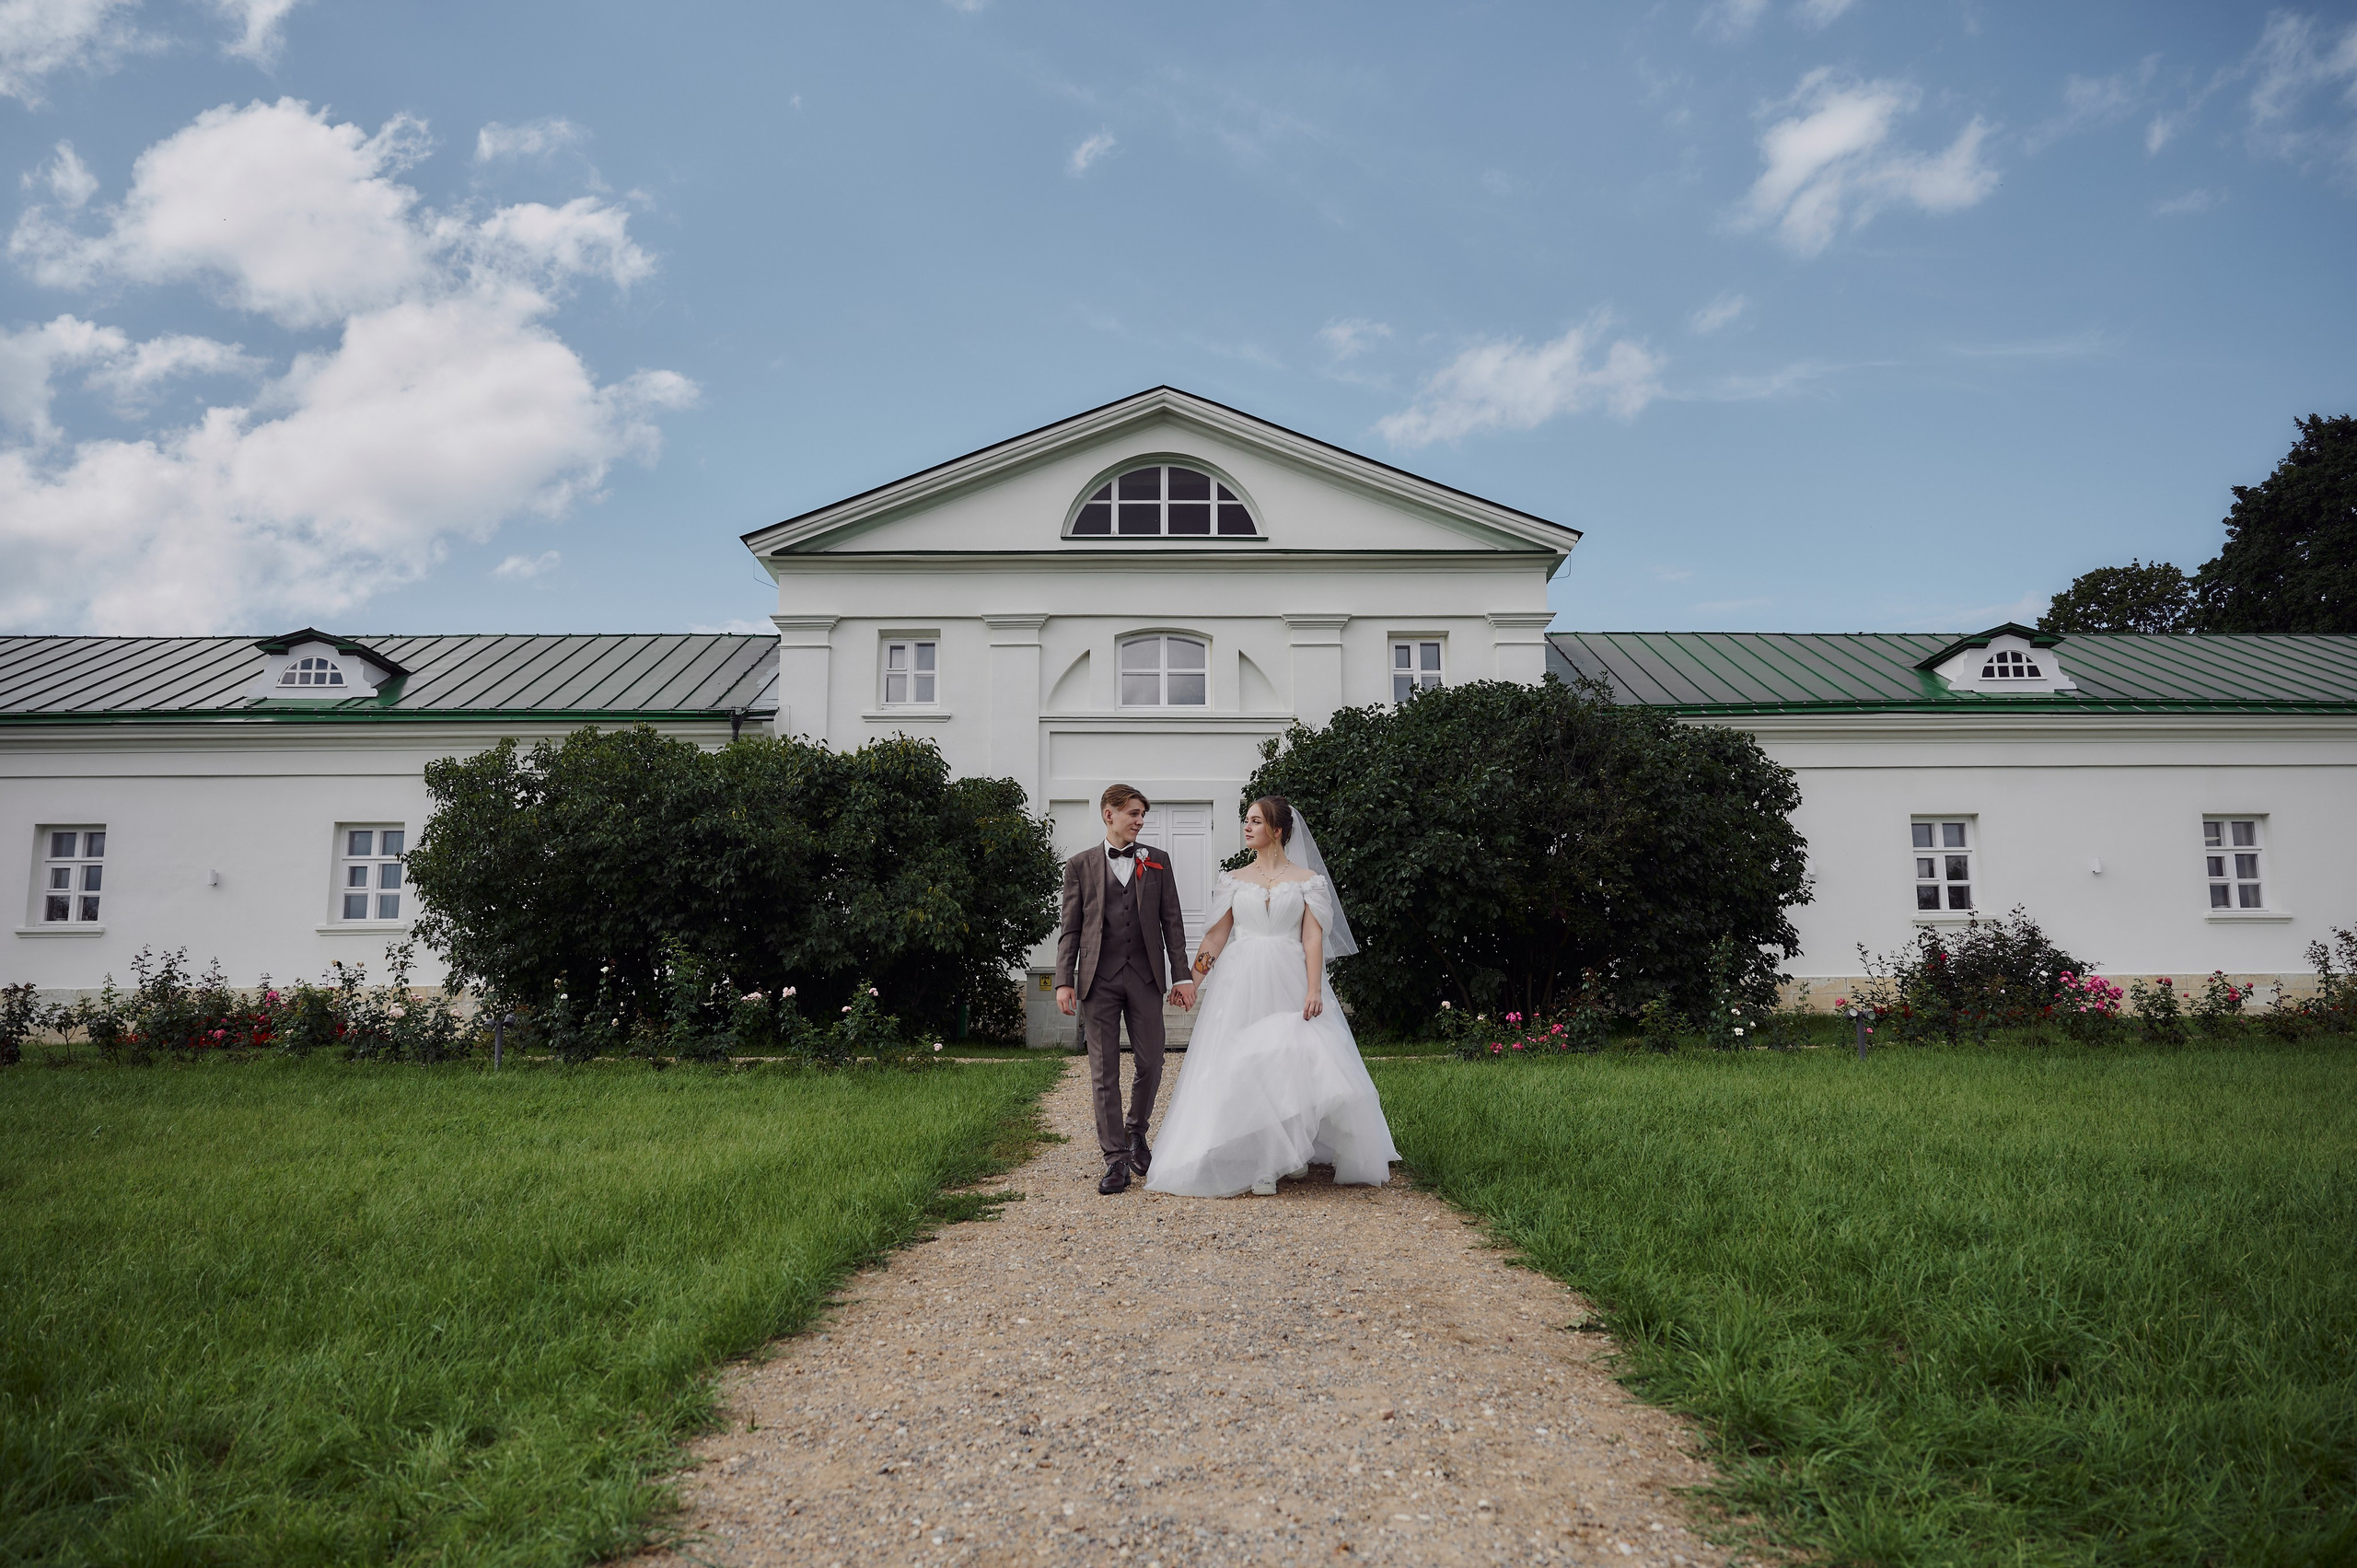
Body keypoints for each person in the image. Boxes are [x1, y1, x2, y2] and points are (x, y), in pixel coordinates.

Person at [1144, 795, 1399, 1198]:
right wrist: (1189, 980)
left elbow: (1312, 936)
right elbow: (1216, 935)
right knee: (1247, 1063)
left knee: (1291, 1060)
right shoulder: (1234, 879)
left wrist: (1314, 988)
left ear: (1276, 831)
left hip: (1290, 977)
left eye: (1255, 821)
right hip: (1241, 981)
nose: (1247, 827)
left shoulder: (1307, 881)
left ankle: (1292, 1151)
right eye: (1245, 820)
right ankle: (1264, 1160)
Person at [1053, 784, 1196, 1194]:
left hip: (1145, 977)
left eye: (1141, 815)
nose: (1140, 821)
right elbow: (1071, 930)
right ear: (1108, 815)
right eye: (1133, 814)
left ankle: (1137, 1130)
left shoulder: (1158, 862)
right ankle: (1115, 1159)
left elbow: (1173, 923)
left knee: (1152, 1062)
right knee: (1104, 1072)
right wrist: (1064, 980)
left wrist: (1182, 975)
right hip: (1098, 979)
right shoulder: (1079, 865)